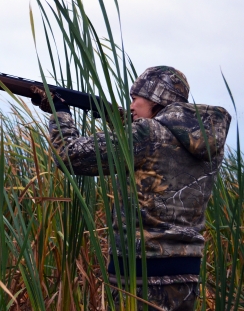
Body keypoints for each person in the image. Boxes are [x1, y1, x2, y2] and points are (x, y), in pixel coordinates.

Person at [31, 66, 231, 311]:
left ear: (157, 99)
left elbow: (70, 155)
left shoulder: (147, 133)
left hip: (139, 276)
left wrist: (59, 111)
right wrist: (117, 121)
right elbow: (158, 152)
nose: (132, 106)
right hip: (186, 273)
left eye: (135, 99)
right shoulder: (208, 143)